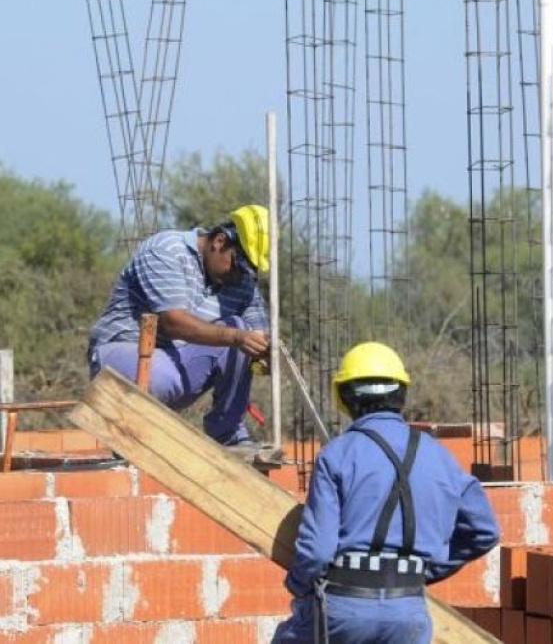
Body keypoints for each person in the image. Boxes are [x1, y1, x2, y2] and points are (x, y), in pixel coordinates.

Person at [273, 341, 500, 644]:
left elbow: (317, 551)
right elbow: (484, 531)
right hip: (408, 609)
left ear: (344, 396)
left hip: (343, 607)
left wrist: (299, 584)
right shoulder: (441, 457)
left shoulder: (337, 455)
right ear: (401, 394)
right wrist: (425, 570)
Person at [88, 204, 271, 449]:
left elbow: (258, 334)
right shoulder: (166, 250)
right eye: (237, 265)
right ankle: (137, 429)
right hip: (124, 355)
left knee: (242, 331)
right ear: (219, 241)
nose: (238, 276)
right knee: (236, 334)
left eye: (249, 271)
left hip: (174, 369)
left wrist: (264, 354)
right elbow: (173, 322)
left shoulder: (243, 282)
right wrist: (237, 337)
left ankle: (227, 432)